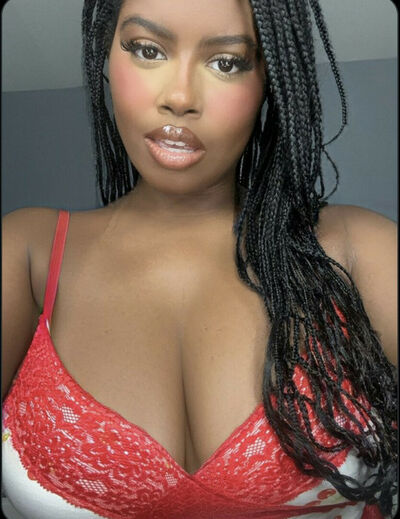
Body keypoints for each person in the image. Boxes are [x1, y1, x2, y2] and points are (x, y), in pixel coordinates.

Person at [2, 0, 397, 518]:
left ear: (269, 80)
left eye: (226, 62)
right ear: (105, 55)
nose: (180, 97)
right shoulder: (27, 254)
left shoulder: (359, 251)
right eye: (148, 50)